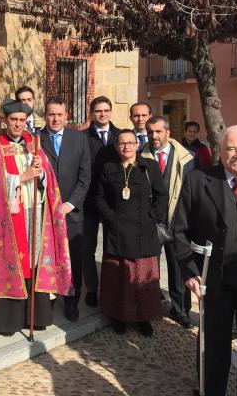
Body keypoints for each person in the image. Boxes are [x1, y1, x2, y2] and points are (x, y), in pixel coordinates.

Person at [174, 125, 237, 396]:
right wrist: (189, 271)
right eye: (230, 148)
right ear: (220, 150)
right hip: (214, 282)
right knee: (213, 348)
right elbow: (180, 231)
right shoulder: (198, 180)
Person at [0, 100, 73, 335]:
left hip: (35, 212)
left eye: (22, 121)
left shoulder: (33, 143)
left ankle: (35, 316)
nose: (18, 124)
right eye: (13, 120)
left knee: (34, 261)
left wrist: (43, 171)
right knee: (12, 263)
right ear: (4, 121)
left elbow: (50, 183)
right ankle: (10, 320)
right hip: (8, 218)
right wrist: (23, 176)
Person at [94, 129, 168, 336]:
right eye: (122, 143)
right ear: (117, 147)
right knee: (119, 281)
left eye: (130, 143)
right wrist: (111, 217)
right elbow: (99, 197)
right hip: (117, 231)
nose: (126, 147)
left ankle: (144, 318)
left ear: (137, 145)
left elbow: (162, 195)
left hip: (143, 231)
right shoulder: (109, 168)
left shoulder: (149, 166)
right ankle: (119, 317)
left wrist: (153, 217)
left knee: (143, 281)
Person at [141, 116, 196, 329]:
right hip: (150, 223)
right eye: (150, 132)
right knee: (147, 269)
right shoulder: (140, 157)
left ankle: (180, 310)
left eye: (158, 131)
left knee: (179, 269)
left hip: (178, 222)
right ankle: (148, 309)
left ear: (168, 132)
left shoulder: (187, 158)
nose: (154, 136)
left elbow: (192, 192)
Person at [40, 96, 91, 322]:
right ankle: (48, 300)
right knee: (48, 259)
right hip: (44, 213)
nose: (55, 118)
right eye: (51, 114)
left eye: (59, 114)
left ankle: (71, 301)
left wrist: (69, 204)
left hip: (72, 214)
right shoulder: (35, 139)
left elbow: (85, 177)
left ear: (66, 115)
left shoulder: (79, 139)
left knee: (73, 260)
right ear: (45, 115)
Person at [81, 96, 120, 308]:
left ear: (111, 111)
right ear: (92, 113)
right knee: (88, 247)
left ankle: (110, 288)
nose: (102, 114)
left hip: (113, 202)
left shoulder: (120, 135)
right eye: (98, 111)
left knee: (111, 247)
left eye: (106, 110)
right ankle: (92, 289)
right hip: (88, 200)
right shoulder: (83, 137)